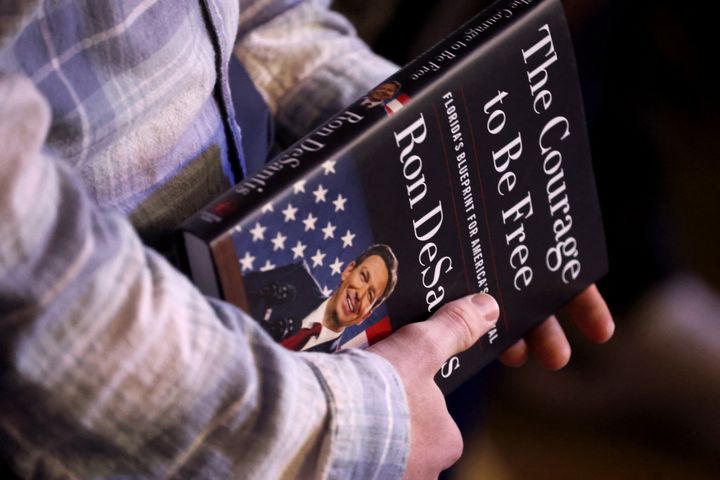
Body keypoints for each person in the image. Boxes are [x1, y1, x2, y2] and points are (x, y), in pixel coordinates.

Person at [0, 1, 614, 478]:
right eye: (363, 280)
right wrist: (342, 437)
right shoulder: (280, 281)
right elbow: (22, 269)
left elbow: (268, 22)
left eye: (376, 288)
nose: (361, 295)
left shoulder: (370, 328)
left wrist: (456, 174)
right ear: (348, 277)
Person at [245, 244, 399, 352]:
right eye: (363, 277)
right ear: (348, 270)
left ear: (365, 316)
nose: (360, 293)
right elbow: (239, 291)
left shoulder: (330, 368)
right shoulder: (295, 279)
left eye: (370, 295)